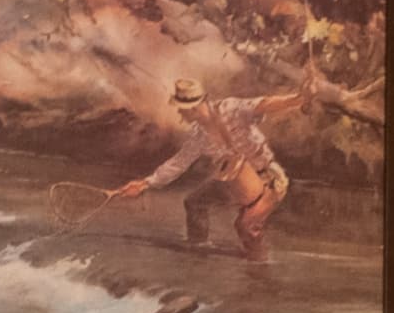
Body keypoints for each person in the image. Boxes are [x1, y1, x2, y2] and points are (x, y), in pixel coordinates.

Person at [106, 69, 357, 261]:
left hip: (268, 181)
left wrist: (299, 98)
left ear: (193, 107)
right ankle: (199, 255)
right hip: (234, 182)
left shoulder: (233, 109)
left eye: (183, 110)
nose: (180, 114)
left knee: (245, 227)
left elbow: (266, 104)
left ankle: (261, 271)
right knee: (195, 202)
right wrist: (145, 183)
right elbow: (177, 164)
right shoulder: (197, 136)